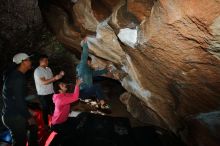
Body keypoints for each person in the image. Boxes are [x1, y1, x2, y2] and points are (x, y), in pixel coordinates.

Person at [2, 53, 38, 146]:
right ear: (23, 62)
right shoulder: (18, 78)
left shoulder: (14, 75)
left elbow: (13, 98)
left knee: (33, 128)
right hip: (15, 117)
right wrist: (28, 116)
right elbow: (19, 101)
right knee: (20, 142)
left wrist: (28, 110)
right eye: (28, 60)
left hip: (10, 114)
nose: (30, 62)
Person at [76, 37, 111, 112]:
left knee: (97, 88)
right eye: (89, 62)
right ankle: (103, 104)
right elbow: (84, 55)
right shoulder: (82, 67)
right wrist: (85, 44)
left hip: (87, 91)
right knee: (97, 86)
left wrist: (106, 69)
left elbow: (97, 73)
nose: (90, 63)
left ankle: (99, 106)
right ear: (87, 61)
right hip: (82, 92)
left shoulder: (88, 71)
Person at [34, 54, 64, 129]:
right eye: (45, 60)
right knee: (45, 110)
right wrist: (55, 78)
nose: (47, 62)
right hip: (43, 94)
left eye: (47, 60)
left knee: (54, 108)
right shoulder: (38, 71)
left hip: (51, 92)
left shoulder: (48, 69)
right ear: (40, 61)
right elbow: (44, 82)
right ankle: (46, 125)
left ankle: (56, 122)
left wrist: (59, 76)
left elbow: (51, 80)